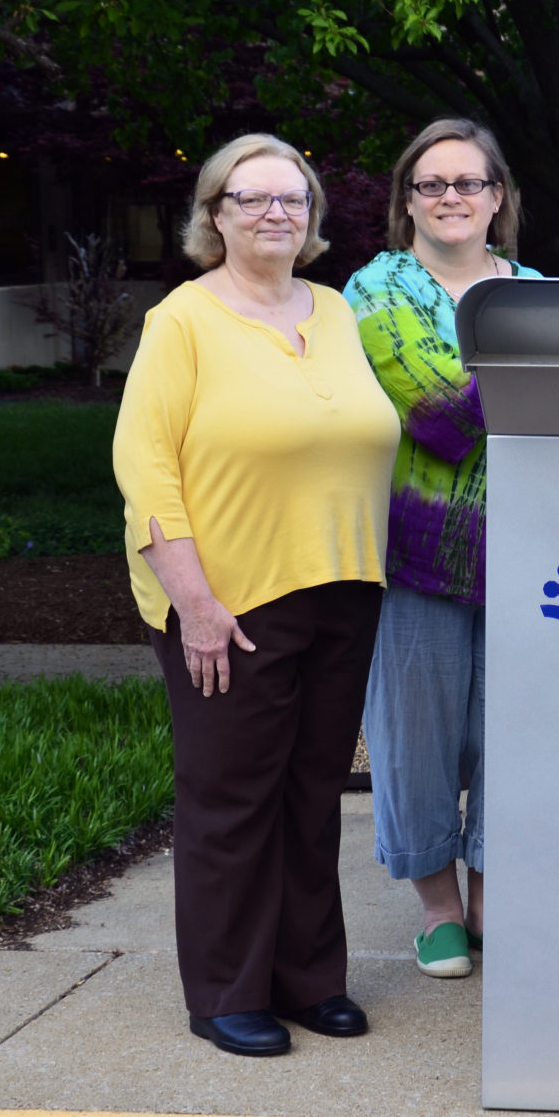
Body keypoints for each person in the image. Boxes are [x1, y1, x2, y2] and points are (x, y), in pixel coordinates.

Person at [114, 133, 402, 1057]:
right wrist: (193, 600)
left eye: (292, 199)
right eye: (253, 199)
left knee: (314, 793)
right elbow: (145, 465)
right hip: (230, 598)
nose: (275, 213)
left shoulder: (335, 311)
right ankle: (226, 990)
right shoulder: (183, 321)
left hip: (343, 584)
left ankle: (309, 979)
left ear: (312, 218)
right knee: (232, 797)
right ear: (216, 215)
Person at [343, 119, 542, 981]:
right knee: (414, 736)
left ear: (498, 197)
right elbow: (437, 413)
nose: (453, 198)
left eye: (470, 183)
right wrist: (540, 375)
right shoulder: (376, 287)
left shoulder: (533, 288)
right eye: (433, 185)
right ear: (407, 202)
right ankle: (437, 910)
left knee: (518, 733)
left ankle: (495, 895)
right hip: (415, 554)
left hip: (531, 555)